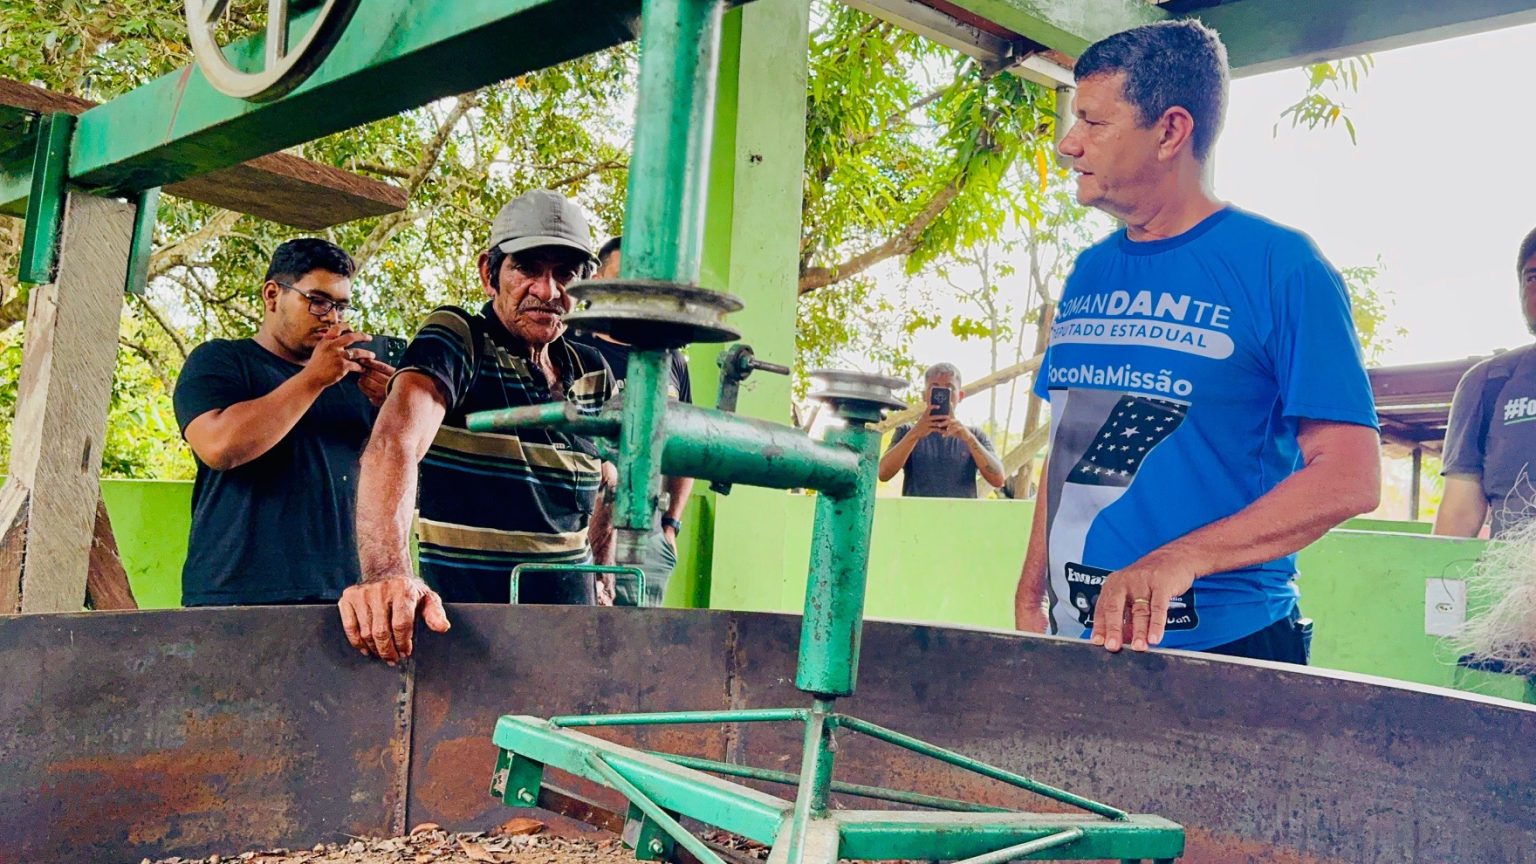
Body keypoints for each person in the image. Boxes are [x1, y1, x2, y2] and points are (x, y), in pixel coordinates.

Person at [1013, 20, 1381, 663]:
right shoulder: (1088, 271)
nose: (1070, 145)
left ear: (1170, 131)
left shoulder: (1282, 267)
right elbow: (1070, 443)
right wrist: (1030, 586)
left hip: (1229, 647)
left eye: (1094, 124)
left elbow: (1350, 477)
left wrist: (1182, 557)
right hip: (1080, 643)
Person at [338, 189, 616, 663]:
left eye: (565, 275)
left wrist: (602, 574)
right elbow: (395, 443)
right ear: (489, 272)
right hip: (471, 639)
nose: (549, 292)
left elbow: (608, 478)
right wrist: (387, 573)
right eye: (528, 269)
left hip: (570, 632)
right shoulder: (459, 339)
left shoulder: (592, 370)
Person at [172, 238, 392, 606]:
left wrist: (392, 406)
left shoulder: (354, 382)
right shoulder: (221, 360)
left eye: (341, 306)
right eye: (318, 301)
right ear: (272, 295)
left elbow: (392, 473)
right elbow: (219, 447)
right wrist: (313, 379)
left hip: (345, 596)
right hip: (236, 592)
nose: (331, 317)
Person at [568, 235, 694, 607]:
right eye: (621, 277)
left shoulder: (670, 360)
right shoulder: (571, 349)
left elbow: (685, 448)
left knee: (637, 654)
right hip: (577, 532)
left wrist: (670, 526)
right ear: (597, 282)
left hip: (647, 536)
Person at [1435, 228, 1536, 539]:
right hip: (1515, 582)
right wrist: (1435, 585)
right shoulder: (1489, 382)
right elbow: (1459, 513)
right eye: (1532, 278)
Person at [877, 363, 1005, 497]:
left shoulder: (975, 435)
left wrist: (969, 439)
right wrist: (915, 434)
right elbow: (883, 473)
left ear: (960, 396)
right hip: (916, 516)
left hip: (960, 516)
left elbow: (998, 480)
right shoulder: (906, 431)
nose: (942, 396)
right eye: (935, 388)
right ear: (925, 395)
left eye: (949, 389)